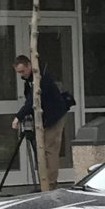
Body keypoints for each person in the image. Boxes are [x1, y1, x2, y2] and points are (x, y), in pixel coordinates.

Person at [12, 56, 68, 190]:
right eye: (19, 72)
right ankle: (45, 182)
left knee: (50, 149)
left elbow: (32, 101)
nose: (21, 75)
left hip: (54, 116)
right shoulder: (29, 80)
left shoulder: (40, 79)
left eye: (22, 71)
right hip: (44, 117)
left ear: (29, 65)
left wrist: (18, 117)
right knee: (42, 149)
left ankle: (51, 183)